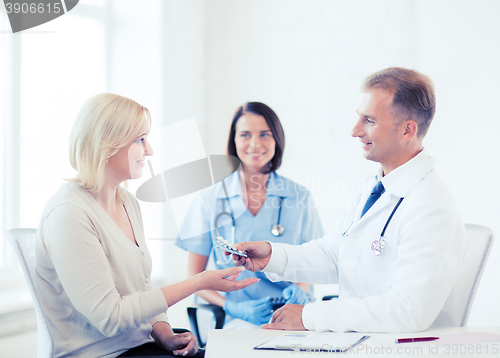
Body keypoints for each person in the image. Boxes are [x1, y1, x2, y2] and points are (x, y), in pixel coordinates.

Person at [232, 67, 467, 333]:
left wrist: (309, 317)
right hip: (361, 342)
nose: (355, 131)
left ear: (406, 131)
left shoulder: (430, 205)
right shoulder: (374, 188)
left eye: (369, 120)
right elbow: (335, 255)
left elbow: (408, 312)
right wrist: (273, 256)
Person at [34, 93, 258, 358]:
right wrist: (198, 283)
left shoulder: (126, 201)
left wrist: (163, 332)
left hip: (138, 345)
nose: (149, 150)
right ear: (108, 145)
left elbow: (142, 289)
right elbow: (111, 318)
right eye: (140, 140)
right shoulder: (69, 213)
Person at [175, 102, 324, 329]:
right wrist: (232, 307)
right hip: (239, 319)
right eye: (245, 135)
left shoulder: (299, 197)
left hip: (294, 313)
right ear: (234, 141)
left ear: (277, 140)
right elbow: (193, 278)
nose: (255, 144)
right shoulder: (209, 200)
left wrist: (301, 290)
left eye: (265, 134)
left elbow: (318, 261)